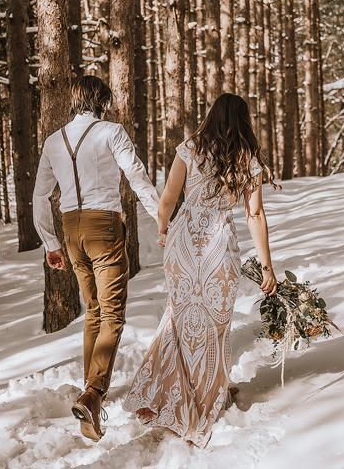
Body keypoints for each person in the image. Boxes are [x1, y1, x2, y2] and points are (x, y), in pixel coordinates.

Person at [123, 93, 278, 448]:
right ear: (243, 121)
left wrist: (164, 230)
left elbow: (167, 200)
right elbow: (254, 215)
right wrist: (267, 265)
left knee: (180, 321)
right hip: (218, 249)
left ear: (211, 116)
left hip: (182, 244)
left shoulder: (189, 148)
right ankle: (205, 397)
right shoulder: (246, 158)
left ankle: (167, 397)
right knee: (214, 326)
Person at [32, 75, 160, 442]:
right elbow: (136, 175)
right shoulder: (111, 132)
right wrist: (161, 218)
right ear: (102, 101)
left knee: (94, 311)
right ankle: (93, 394)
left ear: (75, 101)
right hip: (103, 225)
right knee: (113, 313)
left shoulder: (54, 141)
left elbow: (40, 197)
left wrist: (50, 243)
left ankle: (90, 394)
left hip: (70, 229)